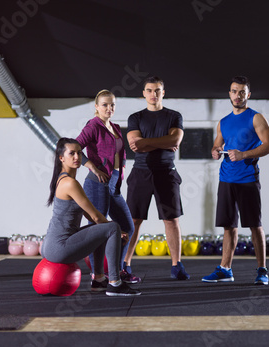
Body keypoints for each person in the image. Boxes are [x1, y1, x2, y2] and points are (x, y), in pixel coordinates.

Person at [41, 138, 141, 297]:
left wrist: (107, 228)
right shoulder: (70, 183)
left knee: (103, 229)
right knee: (112, 227)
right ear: (61, 158)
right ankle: (115, 283)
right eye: (71, 153)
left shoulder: (63, 179)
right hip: (59, 248)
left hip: (50, 246)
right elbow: (95, 215)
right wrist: (117, 231)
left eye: (80, 153)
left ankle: (99, 279)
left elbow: (91, 215)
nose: (77, 157)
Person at [202, 76, 269, 285]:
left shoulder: (256, 118)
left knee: (254, 225)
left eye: (242, 92)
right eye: (234, 91)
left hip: (247, 179)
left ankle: (262, 271)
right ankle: (225, 269)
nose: (237, 95)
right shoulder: (223, 122)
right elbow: (217, 145)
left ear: (248, 95)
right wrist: (215, 152)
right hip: (226, 179)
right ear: (229, 93)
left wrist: (244, 155)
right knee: (228, 226)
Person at [125, 76, 190, 280]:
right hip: (140, 172)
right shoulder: (135, 118)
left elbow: (175, 139)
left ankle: (176, 265)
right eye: (150, 90)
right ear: (144, 93)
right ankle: (124, 263)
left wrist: (147, 142)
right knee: (133, 220)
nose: (154, 94)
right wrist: (164, 142)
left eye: (157, 90)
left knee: (171, 220)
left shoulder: (174, 116)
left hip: (166, 172)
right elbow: (135, 144)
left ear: (164, 92)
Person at [76, 90, 139, 284]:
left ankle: (118, 271)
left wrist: (117, 178)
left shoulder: (116, 127)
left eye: (112, 105)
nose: (109, 108)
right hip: (97, 184)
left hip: (114, 183)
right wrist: (93, 168)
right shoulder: (93, 126)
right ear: (96, 107)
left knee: (127, 226)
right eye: (104, 105)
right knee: (98, 230)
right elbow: (75, 148)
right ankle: (98, 276)